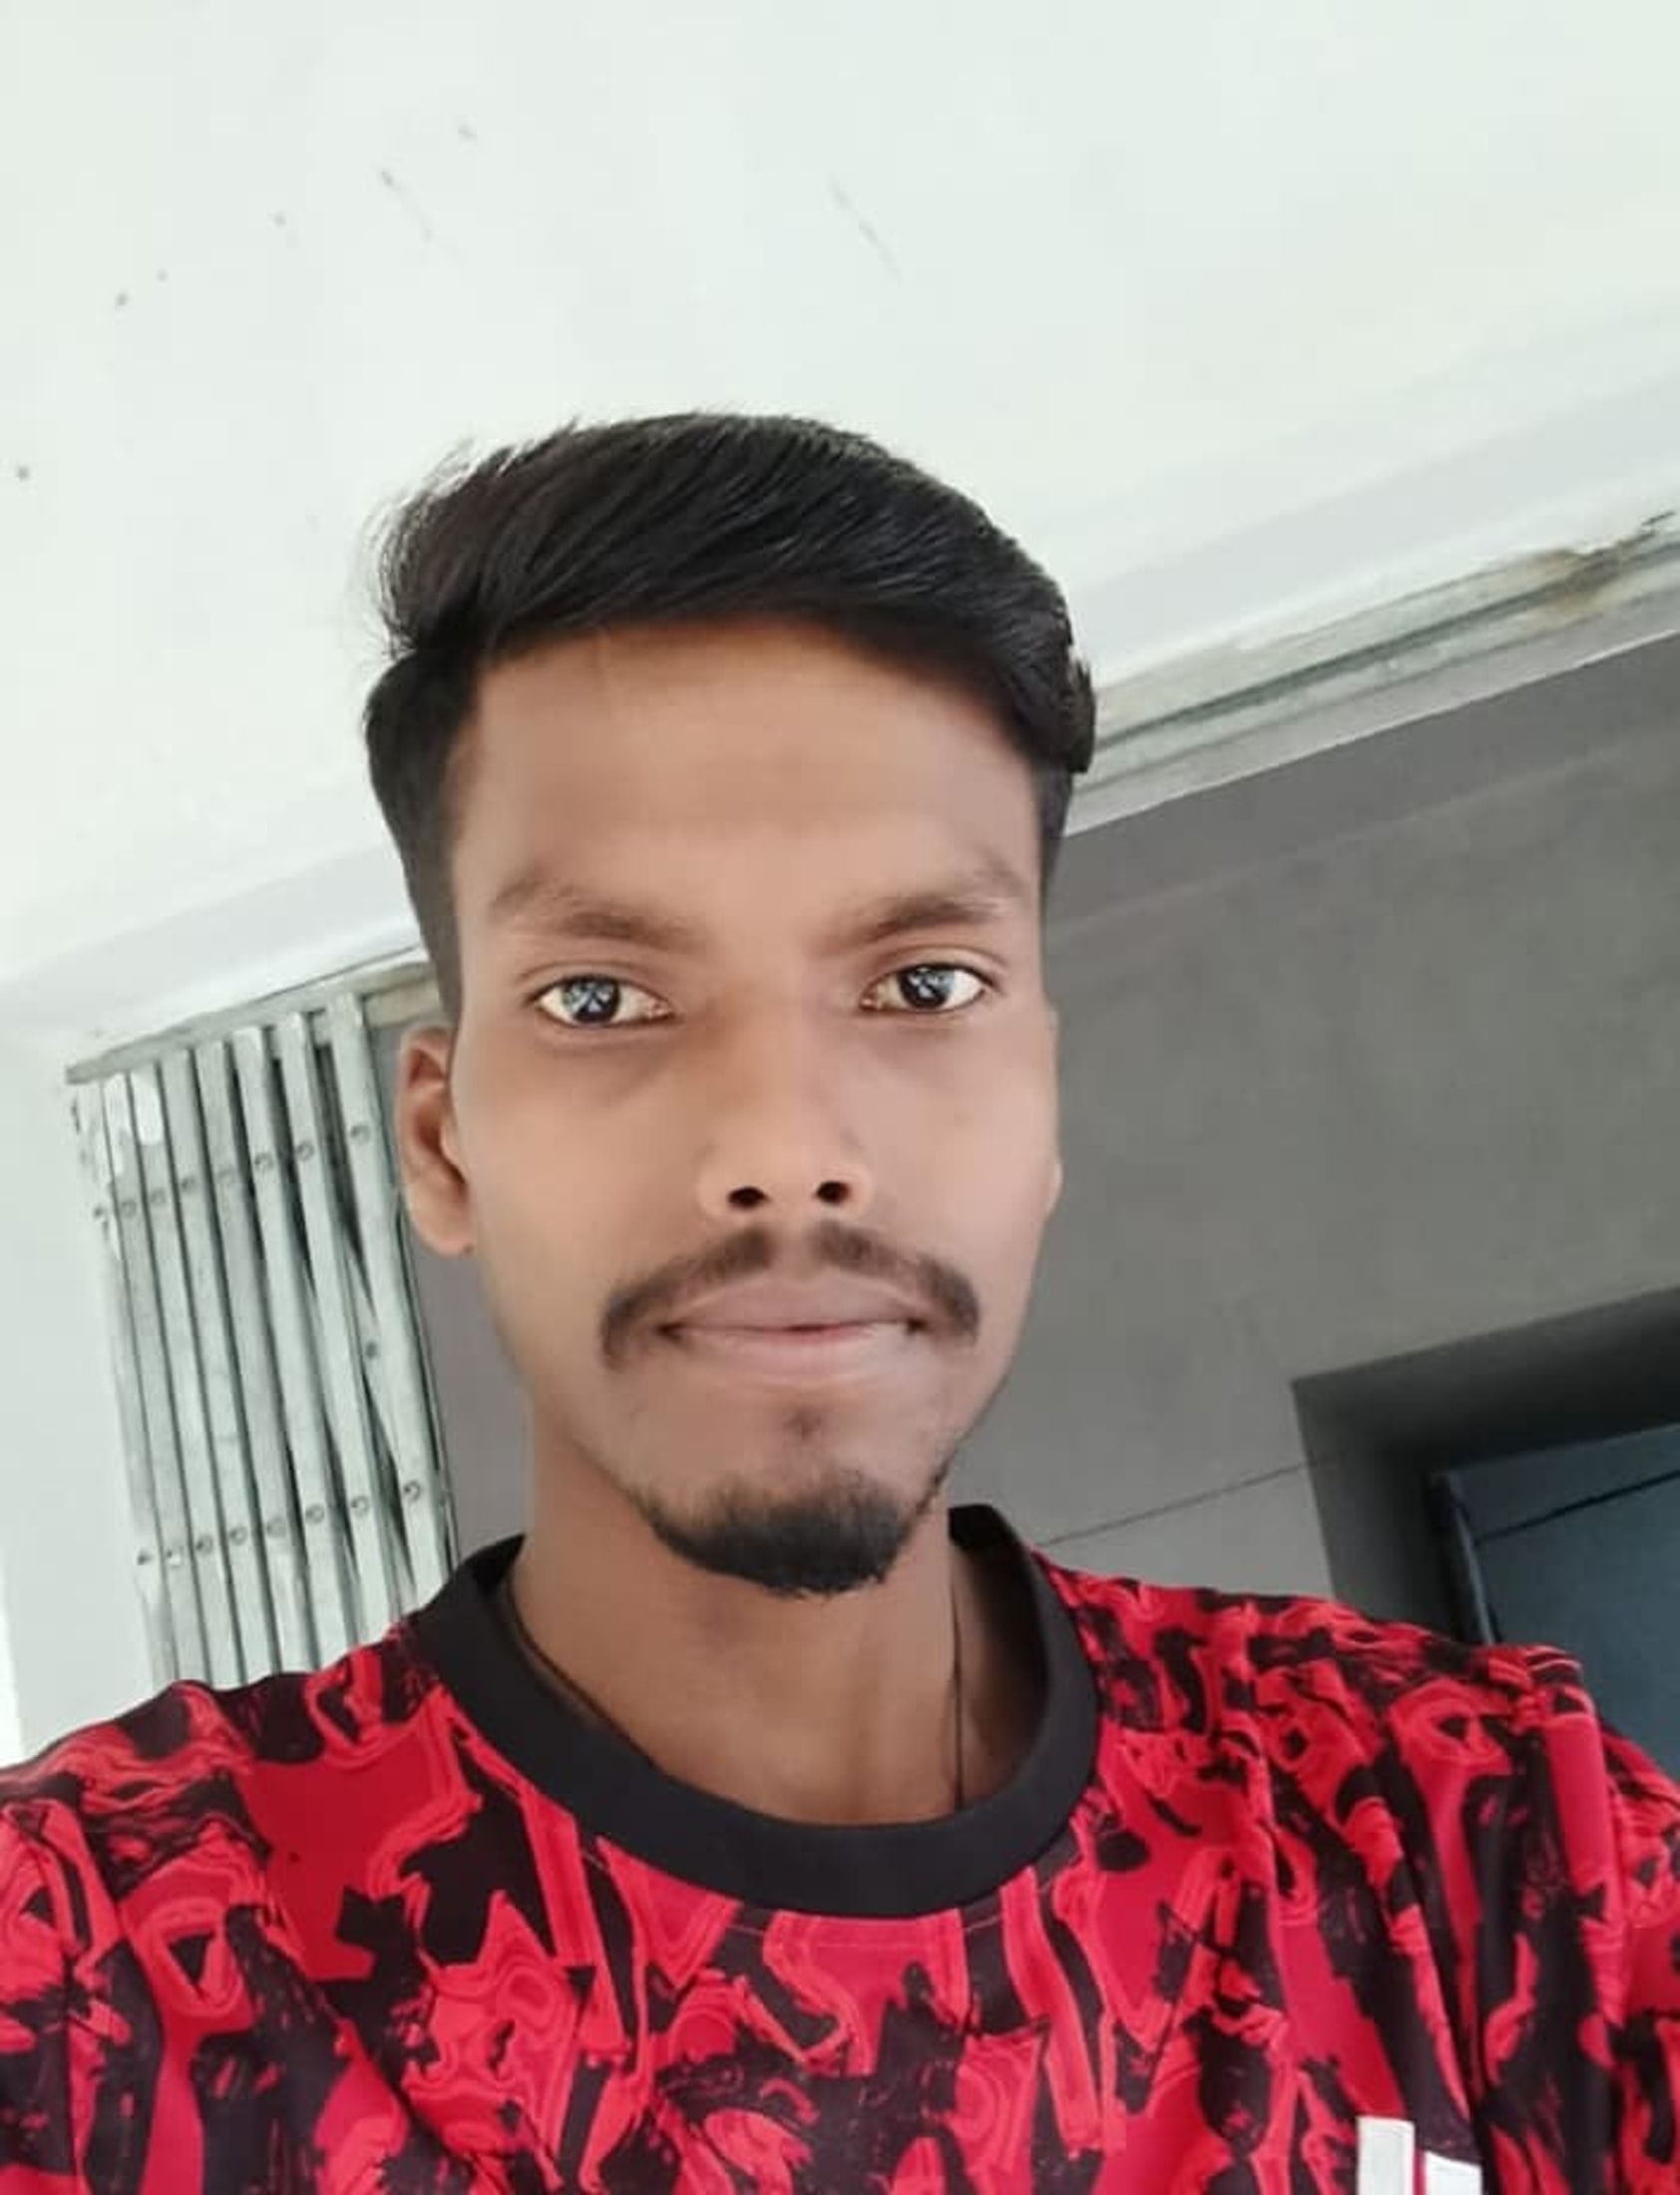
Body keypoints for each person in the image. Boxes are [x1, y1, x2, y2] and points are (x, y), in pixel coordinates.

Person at [1, 415, 1675, 2195]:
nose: (786, 1154)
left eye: (924, 982)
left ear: (1045, 1105)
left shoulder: (1483, 1847)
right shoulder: (102, 1975)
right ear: (441, 1142)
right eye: (599, 1000)